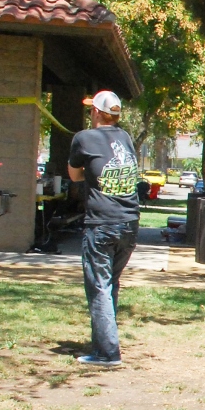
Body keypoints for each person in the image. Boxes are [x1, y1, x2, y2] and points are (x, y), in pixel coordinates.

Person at [67, 91, 140, 367]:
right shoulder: (125, 138)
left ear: (96, 112)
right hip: (130, 224)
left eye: (91, 110)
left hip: (101, 224)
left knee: (99, 287)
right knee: (110, 285)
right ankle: (103, 343)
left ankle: (108, 353)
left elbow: (74, 176)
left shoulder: (83, 138)